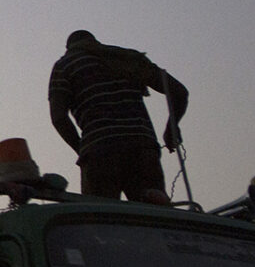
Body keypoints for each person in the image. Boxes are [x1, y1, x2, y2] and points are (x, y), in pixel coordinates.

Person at [48, 30, 189, 204]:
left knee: (101, 221)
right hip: (143, 150)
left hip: (99, 153)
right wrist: (171, 128)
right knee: (153, 216)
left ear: (69, 48)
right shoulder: (126, 58)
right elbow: (179, 92)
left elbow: (59, 118)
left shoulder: (65, 66)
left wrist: (83, 149)